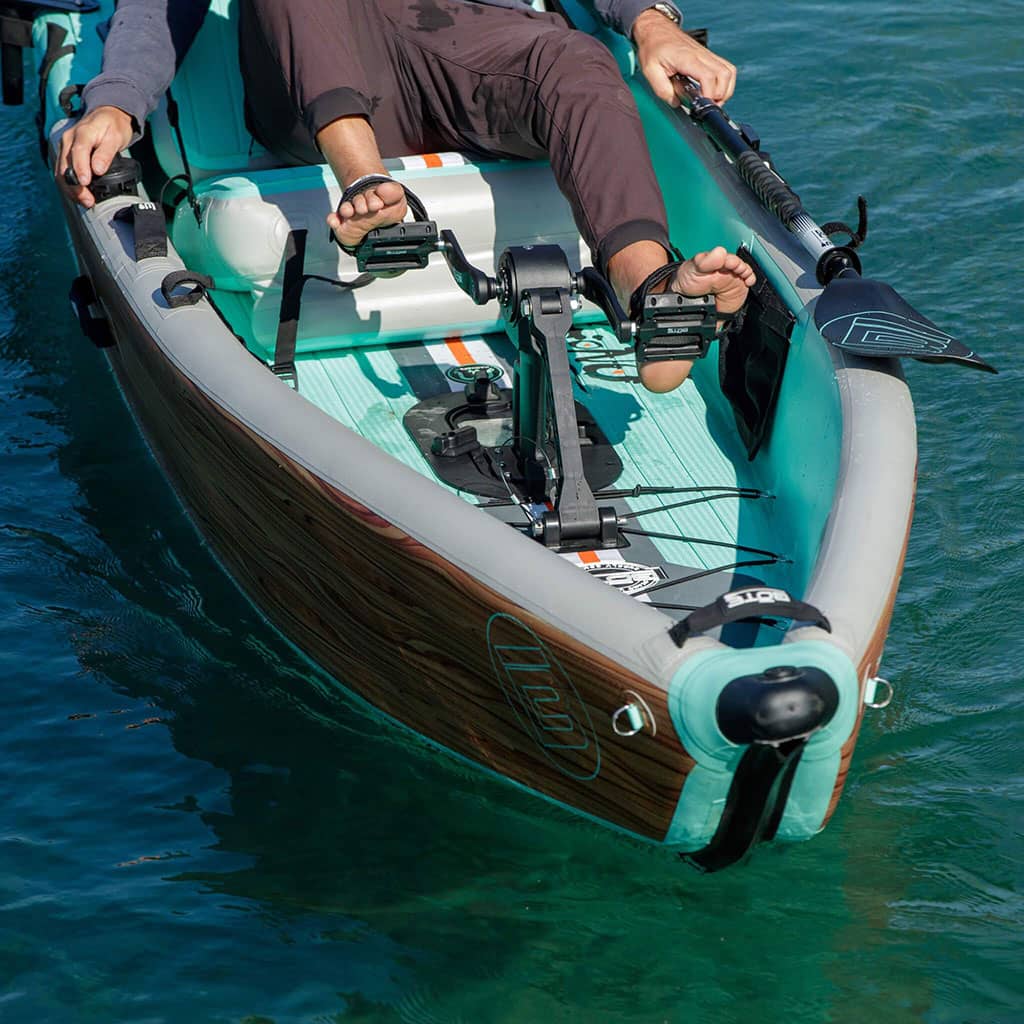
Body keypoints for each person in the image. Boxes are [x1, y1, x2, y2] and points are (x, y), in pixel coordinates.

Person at [57, 0, 755, 393]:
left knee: (576, 61)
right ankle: (367, 185)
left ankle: (652, 291)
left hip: (469, 34)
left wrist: (651, 21)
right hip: (322, 65)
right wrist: (118, 103)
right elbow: (155, 8)